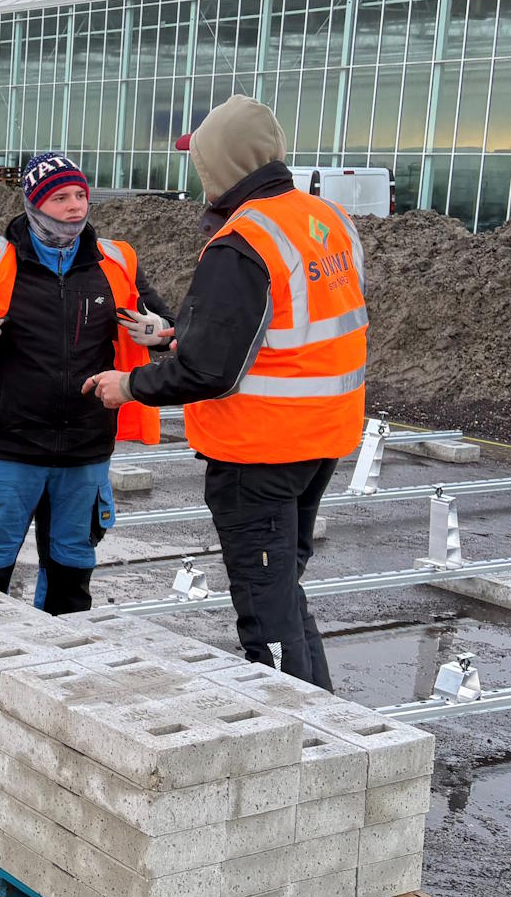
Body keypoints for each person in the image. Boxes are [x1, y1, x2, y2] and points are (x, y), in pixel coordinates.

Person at [83, 96, 368, 690]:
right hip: (321, 439)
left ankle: (299, 734)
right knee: (283, 589)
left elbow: (211, 371)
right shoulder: (325, 219)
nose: (197, 170)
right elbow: (281, 328)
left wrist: (130, 384)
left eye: (202, 158)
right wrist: (175, 336)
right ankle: (328, 718)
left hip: (258, 450)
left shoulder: (243, 241)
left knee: (266, 612)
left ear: (224, 162)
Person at [0, 152, 173, 614]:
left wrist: (159, 332)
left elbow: (166, 323)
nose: (75, 207)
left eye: (80, 195)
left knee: (71, 582)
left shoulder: (116, 261)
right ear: (33, 204)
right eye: (60, 197)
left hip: (84, 452)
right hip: (3, 450)